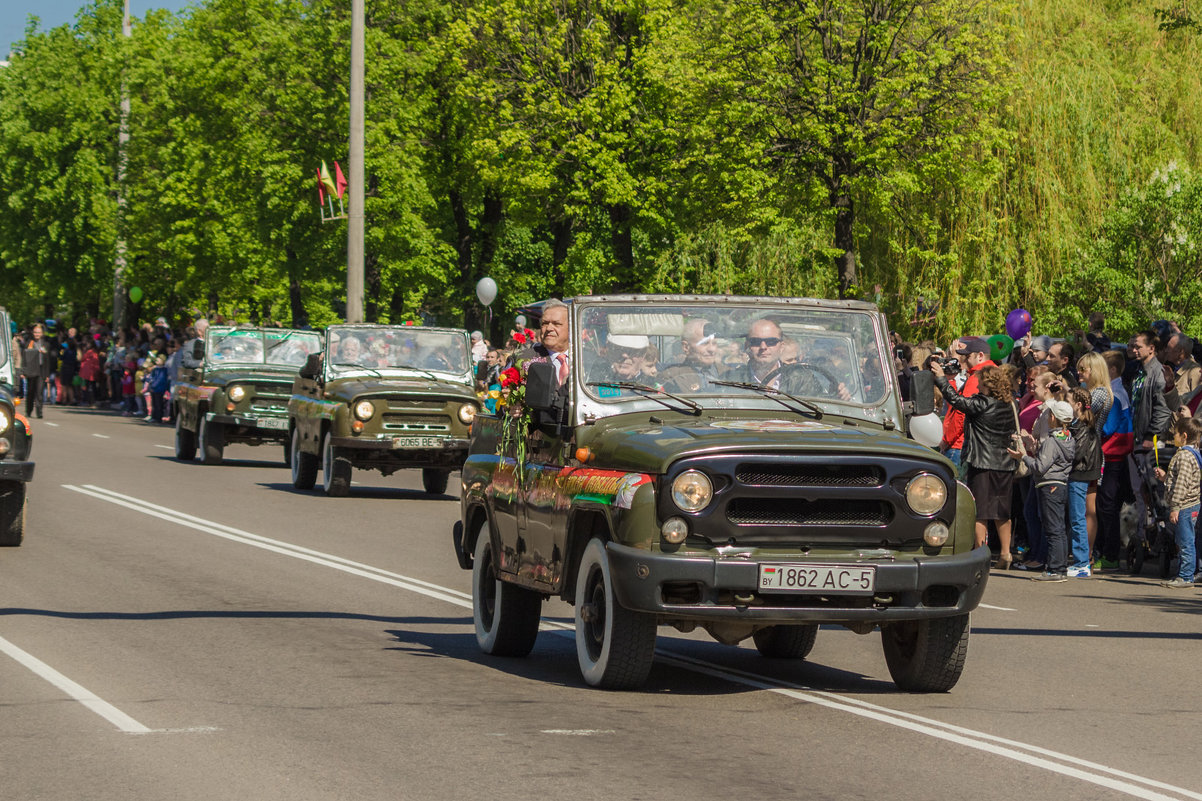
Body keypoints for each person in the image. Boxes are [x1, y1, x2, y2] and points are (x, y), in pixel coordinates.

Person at [934, 362, 1020, 566]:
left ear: (988, 385)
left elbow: (955, 400)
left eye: (981, 382)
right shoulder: (1009, 405)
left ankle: (980, 553)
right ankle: (1006, 553)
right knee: (1001, 511)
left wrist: (940, 378)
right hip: (1005, 464)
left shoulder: (982, 403)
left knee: (980, 511)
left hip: (982, 463)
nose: (978, 385)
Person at [1012, 399, 1076, 582]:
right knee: (1060, 528)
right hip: (1062, 483)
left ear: (1053, 417)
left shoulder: (1051, 441)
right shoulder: (1068, 438)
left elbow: (1040, 467)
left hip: (1049, 485)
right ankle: (1060, 567)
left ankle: (1055, 569)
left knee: (1053, 528)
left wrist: (1023, 457)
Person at [1152, 416, 1202, 588]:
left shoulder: (1184, 457)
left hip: (1186, 506)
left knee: (1185, 541)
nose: (1173, 437)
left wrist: (1175, 508)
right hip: (1189, 504)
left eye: (1176, 434)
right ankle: (1183, 573)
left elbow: (1182, 485)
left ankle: (1186, 576)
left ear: (1185, 436)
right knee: (1184, 539)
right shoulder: (1190, 454)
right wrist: (1165, 477)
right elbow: (1181, 480)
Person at [940, 338, 996, 477]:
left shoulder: (978, 377)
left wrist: (947, 440)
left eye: (967, 356)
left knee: (954, 492)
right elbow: (956, 404)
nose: (964, 359)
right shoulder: (987, 374)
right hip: (969, 445)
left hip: (958, 445)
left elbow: (961, 413)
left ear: (980, 356)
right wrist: (951, 380)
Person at [1066, 388, 1101, 577]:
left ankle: (1081, 563)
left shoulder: (1080, 426)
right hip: (1084, 474)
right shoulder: (1082, 424)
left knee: (1077, 518)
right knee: (1079, 516)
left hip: (1079, 475)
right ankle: (1081, 560)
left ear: (1078, 405)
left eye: (1068, 400)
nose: (1065, 403)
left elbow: (1076, 453)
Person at [21, 324, 51, 418]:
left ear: (42, 333)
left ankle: (39, 412)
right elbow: (24, 358)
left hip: (41, 371)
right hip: (31, 370)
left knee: (39, 392)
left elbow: (48, 361)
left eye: (38, 332)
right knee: (30, 392)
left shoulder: (45, 344)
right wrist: (23, 371)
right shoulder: (29, 343)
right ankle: (28, 411)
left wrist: (47, 375)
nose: (37, 334)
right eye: (35, 332)